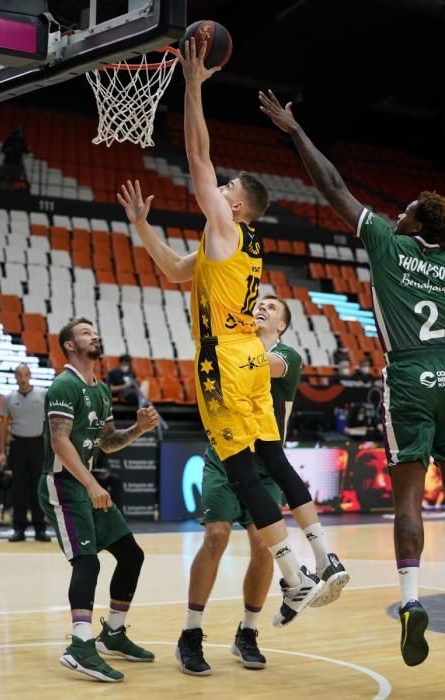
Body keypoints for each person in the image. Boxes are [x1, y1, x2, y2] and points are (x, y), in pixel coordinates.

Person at [118, 38, 348, 632]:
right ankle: (324, 555)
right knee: (269, 456)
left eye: (227, 191)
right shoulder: (238, 247)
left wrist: (192, 84)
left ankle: (294, 574)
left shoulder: (225, 226)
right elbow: (173, 272)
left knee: (244, 470)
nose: (216, 193)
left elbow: (198, 155)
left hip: (224, 360)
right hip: (248, 355)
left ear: (239, 207)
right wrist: (143, 228)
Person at [259, 88, 445, 667]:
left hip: (411, 375)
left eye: (406, 208)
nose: (398, 211)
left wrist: (295, 132)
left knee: (410, 498)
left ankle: (412, 601)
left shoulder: (388, 242)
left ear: (414, 222)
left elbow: (333, 187)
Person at [176, 295, 349, 676]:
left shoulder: (286, 355)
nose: (262, 307)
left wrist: (221, 344)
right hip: (226, 457)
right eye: (260, 302)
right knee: (216, 536)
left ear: (281, 326)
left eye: (271, 307)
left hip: (265, 465)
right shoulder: (241, 345)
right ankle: (190, 633)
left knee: (262, 546)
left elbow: (257, 366)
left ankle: (248, 633)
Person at [38, 317, 160, 683]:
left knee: (131, 554)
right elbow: (60, 441)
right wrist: (92, 485)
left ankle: (114, 633)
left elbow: (106, 442)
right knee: (87, 563)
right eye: (86, 332)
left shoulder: (102, 390)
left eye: (95, 330)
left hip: (86, 483)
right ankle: (80, 645)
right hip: (63, 484)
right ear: (70, 346)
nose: (95, 335)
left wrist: (139, 428)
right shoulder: (63, 385)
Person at [0, 364, 50, 542]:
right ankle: (19, 528)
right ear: (15, 377)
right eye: (19, 375)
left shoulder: (43, 394)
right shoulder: (8, 398)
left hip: (37, 444)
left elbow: (52, 419)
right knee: (18, 488)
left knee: (38, 487)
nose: (22, 378)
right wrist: (2, 451)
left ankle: (39, 528)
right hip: (17, 445)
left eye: (25, 374)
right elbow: (3, 426)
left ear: (30, 375)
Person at [0, 124, 29, 191]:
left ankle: (7, 191)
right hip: (12, 163)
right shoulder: (11, 140)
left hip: (14, 163)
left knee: (11, 180)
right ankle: (4, 191)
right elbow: (3, 150)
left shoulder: (18, 140)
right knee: (9, 179)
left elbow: (25, 150)